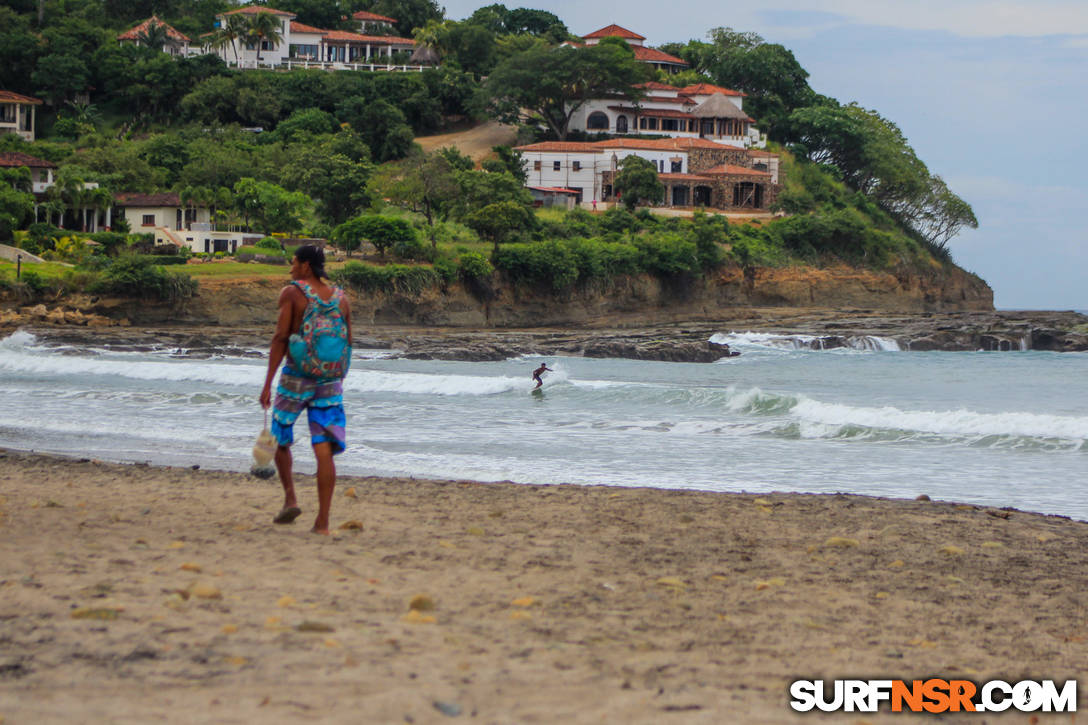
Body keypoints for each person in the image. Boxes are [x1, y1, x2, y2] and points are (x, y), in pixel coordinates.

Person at [260, 245, 352, 535]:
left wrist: (268, 382)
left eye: (294, 262)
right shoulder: (341, 298)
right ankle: (322, 522)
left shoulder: (292, 293)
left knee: (278, 435)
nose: (291, 267)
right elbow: (349, 343)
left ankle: (290, 498)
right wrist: (337, 377)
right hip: (329, 381)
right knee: (323, 448)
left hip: (295, 378)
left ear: (306, 266)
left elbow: (280, 338)